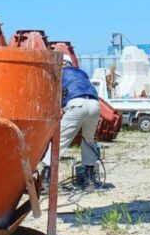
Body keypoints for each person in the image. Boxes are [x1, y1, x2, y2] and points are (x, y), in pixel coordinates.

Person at [41, 55, 104, 190]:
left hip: (76, 105)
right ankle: (89, 180)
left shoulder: (59, 73)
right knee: (89, 140)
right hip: (94, 105)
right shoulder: (82, 73)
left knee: (60, 141)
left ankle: (46, 179)